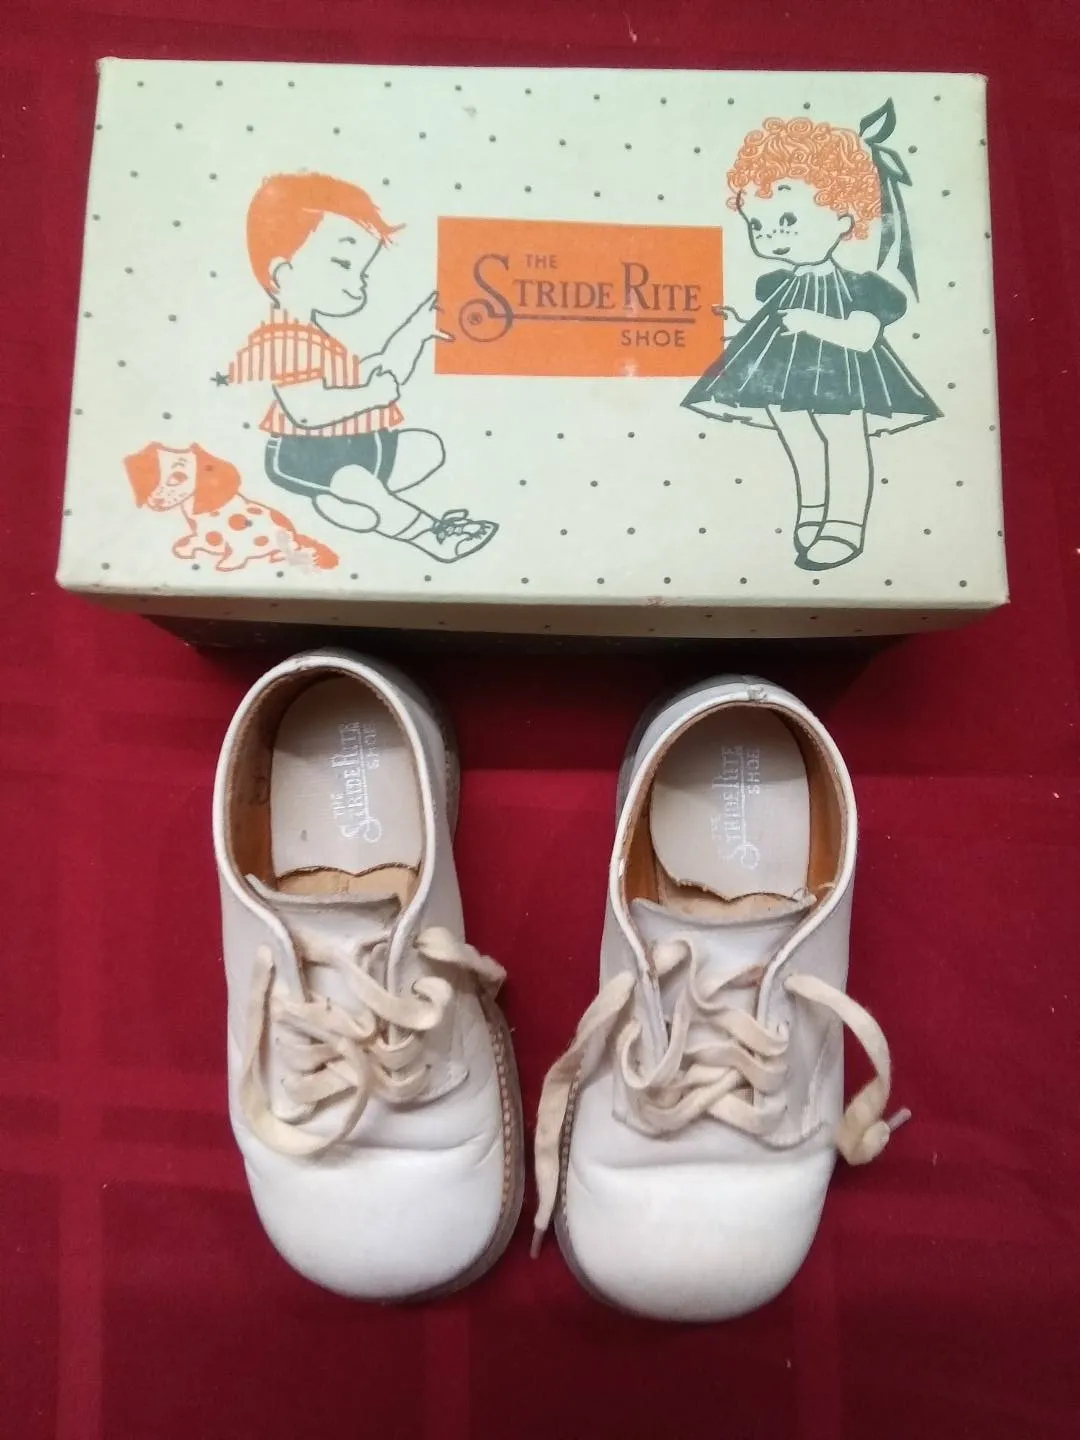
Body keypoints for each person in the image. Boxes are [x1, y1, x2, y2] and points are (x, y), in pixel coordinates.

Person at [683, 113, 940, 571]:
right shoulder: (777, 285)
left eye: (786, 220)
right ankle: (814, 509)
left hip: (842, 375)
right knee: (794, 429)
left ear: (842, 216)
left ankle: (845, 523)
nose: (770, 236)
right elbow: (773, 324)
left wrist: (811, 321)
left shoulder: (864, 288)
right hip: (787, 373)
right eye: (757, 225)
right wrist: (742, 324)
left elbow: (862, 337)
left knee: (842, 433)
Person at [225, 172, 497, 563]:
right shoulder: (283, 340)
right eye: (342, 264)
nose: (359, 282)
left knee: (427, 448)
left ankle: (353, 508)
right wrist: (373, 395)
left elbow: (381, 372)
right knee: (353, 482)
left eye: (363, 271)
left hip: (361, 446)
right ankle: (431, 535)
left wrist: (415, 333)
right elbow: (306, 412)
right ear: (283, 273)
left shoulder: (321, 341)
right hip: (310, 457)